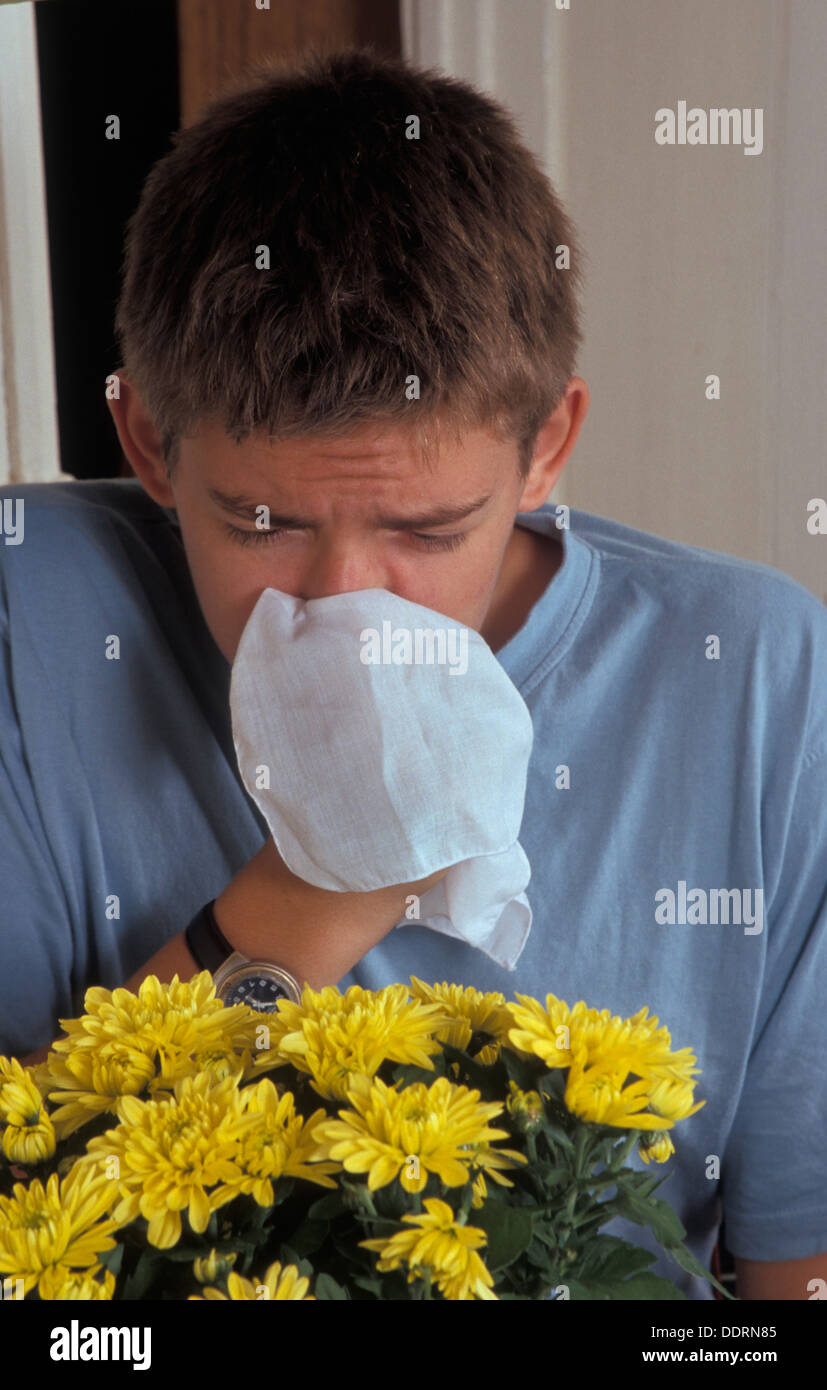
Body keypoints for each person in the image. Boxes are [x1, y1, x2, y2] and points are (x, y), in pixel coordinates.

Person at [1, 48, 825, 1301]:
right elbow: (37, 1238)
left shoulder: (760, 681)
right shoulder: (33, 623)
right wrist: (327, 875)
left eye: (427, 533)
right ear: (149, 445)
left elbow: (790, 1274)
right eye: (263, 521)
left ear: (546, 445)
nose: (347, 604)